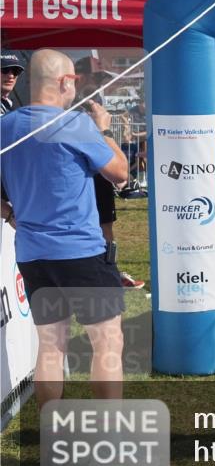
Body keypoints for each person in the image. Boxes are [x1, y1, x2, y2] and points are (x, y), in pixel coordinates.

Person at [0, 50, 130, 406]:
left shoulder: (5, 126)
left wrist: (10, 213)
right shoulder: (76, 124)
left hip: (32, 253)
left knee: (51, 345)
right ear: (64, 82)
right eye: (74, 80)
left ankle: (51, 433)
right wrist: (103, 130)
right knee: (107, 342)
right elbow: (120, 173)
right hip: (80, 254)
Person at [75, 57, 144, 290]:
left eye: (103, 78)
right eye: (97, 77)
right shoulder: (67, 101)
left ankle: (110, 270)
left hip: (100, 170)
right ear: (79, 76)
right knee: (82, 225)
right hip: (79, 173)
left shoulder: (96, 99)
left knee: (106, 224)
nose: (100, 82)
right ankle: (99, 274)